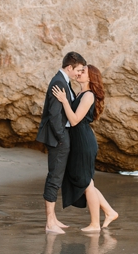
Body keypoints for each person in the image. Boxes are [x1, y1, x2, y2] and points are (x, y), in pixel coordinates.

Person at [52, 64, 118, 232]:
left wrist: (64, 100)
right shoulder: (80, 93)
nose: (79, 73)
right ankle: (109, 211)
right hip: (79, 141)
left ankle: (95, 224)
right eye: (79, 70)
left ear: (91, 77)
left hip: (84, 142)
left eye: (83, 72)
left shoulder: (88, 96)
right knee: (86, 181)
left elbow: (74, 120)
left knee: (86, 182)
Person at [36, 51, 87, 234]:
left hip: (62, 136)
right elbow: (55, 116)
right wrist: (62, 138)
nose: (79, 73)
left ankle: (54, 218)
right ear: (69, 67)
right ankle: (50, 223)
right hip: (59, 138)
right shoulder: (59, 82)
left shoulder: (63, 81)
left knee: (57, 178)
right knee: (54, 178)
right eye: (78, 70)